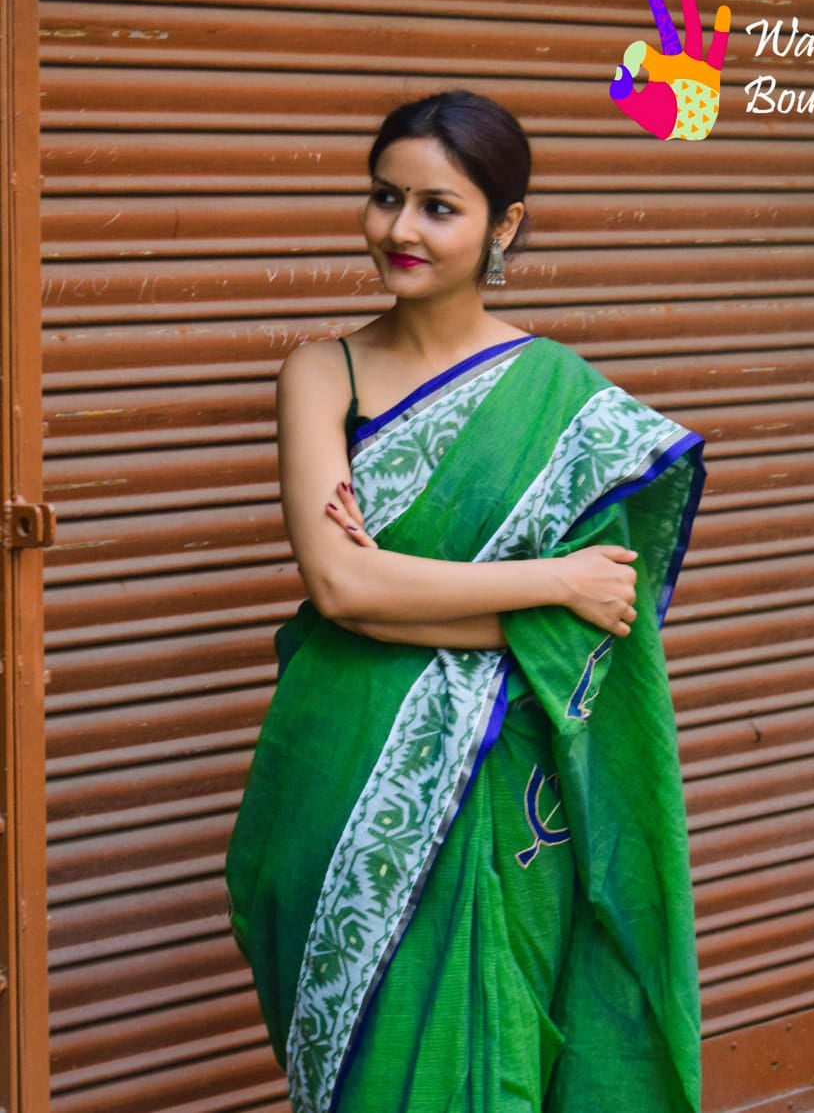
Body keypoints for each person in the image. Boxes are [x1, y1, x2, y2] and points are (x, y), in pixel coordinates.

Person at [226, 90, 704, 1113]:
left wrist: (403, 597)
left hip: (497, 786)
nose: (399, 228)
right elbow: (340, 585)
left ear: (504, 223)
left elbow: (603, 623)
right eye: (384, 197)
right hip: (335, 770)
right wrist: (549, 582)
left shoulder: (565, 401)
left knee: (498, 1054)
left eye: (437, 207)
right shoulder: (322, 373)